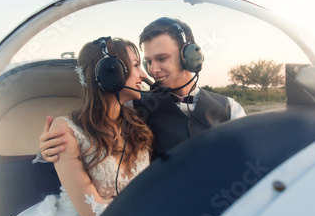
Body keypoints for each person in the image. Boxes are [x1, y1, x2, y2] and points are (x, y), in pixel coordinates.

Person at [0, 37, 153, 216]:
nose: (144, 74)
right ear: (111, 72)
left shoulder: (138, 124)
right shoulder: (66, 129)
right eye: (135, 65)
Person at [39, 17, 245, 162]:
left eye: (162, 59)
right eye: (147, 62)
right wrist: (48, 149)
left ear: (189, 57)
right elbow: (89, 133)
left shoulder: (230, 108)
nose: (153, 70)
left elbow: (247, 157)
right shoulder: (131, 106)